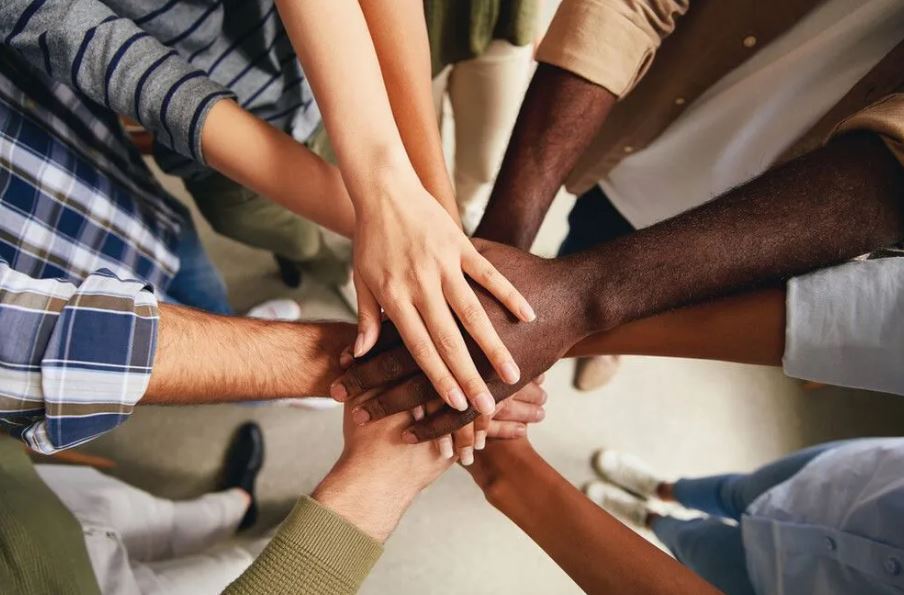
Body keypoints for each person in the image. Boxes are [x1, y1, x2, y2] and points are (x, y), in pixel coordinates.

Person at [1, 0, 537, 429]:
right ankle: (350, 286)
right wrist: (397, 218)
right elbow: (112, 57)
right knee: (310, 249)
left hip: (333, 70)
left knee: (383, 260)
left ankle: (375, 288)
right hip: (225, 156)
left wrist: (427, 216)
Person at [471, 0, 904, 390]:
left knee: (629, 306)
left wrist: (578, 302)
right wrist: (505, 254)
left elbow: (893, 171)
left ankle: (604, 339)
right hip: (640, 155)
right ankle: (577, 315)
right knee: (577, 251)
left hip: (772, 233)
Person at [585, 439, 904, 595]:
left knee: (693, 544)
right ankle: (661, 488)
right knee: (735, 492)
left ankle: (650, 518)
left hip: (783, 588)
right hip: (852, 481)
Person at [426, 0, 539, 233]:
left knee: (484, 169)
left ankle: (465, 233)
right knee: (414, 172)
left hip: (507, 16)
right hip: (417, 16)